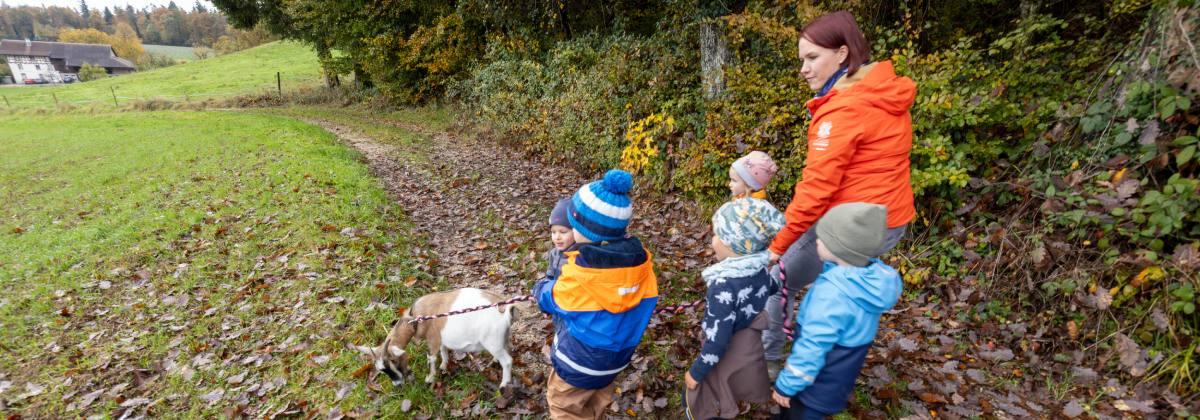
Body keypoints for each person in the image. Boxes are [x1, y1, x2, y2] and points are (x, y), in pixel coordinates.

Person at [763, 10, 916, 374]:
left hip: (851, 224)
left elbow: (817, 190)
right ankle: (829, 363)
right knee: (840, 295)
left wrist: (775, 247)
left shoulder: (843, 109)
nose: (804, 68)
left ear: (843, 54)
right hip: (889, 220)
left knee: (775, 279)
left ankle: (768, 362)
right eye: (802, 59)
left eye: (812, 57)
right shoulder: (882, 91)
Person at [532, 169, 659, 420]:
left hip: (579, 360)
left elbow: (554, 298)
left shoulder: (582, 271)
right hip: (617, 359)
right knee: (598, 400)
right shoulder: (641, 263)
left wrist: (538, 289)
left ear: (584, 229)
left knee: (563, 405)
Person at [771, 203, 902, 419]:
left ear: (840, 248)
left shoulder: (832, 294)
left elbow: (813, 346)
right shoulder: (868, 281)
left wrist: (787, 385)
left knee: (798, 413)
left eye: (822, 238)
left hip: (812, 385)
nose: (817, 242)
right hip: (839, 379)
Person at [684, 198, 785, 419]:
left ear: (734, 244)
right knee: (737, 378)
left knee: (713, 383)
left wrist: (696, 371)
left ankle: (706, 411)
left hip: (726, 349)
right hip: (750, 342)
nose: (712, 239)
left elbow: (718, 340)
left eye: (717, 235)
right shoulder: (760, 270)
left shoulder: (723, 285)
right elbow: (773, 286)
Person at [545, 197, 575, 281]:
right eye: (553, 232)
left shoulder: (579, 257)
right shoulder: (554, 253)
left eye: (563, 232)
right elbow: (550, 275)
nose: (557, 237)